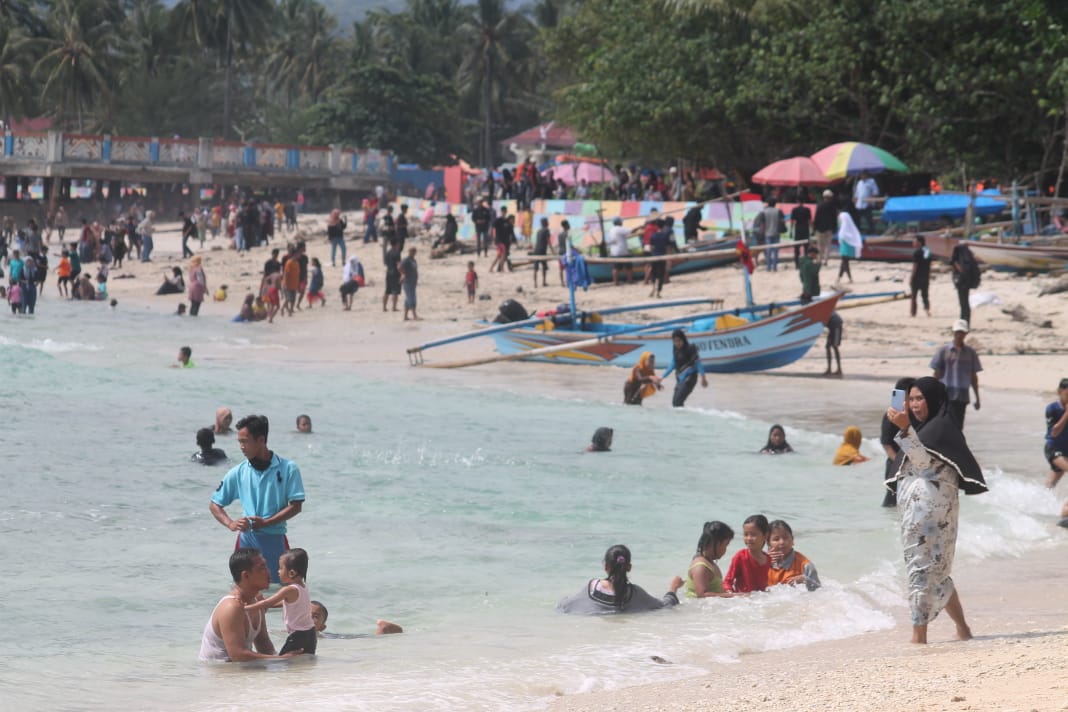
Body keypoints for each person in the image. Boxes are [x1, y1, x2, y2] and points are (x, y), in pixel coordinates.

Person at [886, 376, 986, 644]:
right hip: (921, 516)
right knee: (938, 573)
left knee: (922, 572)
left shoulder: (941, 428)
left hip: (931, 518)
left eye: (920, 398)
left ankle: (919, 637)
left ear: (933, 400)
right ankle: (963, 629)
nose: (914, 404)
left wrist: (905, 428)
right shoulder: (925, 429)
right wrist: (903, 425)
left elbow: (922, 463)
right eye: (911, 399)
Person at [209, 414, 306, 583]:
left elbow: (296, 506)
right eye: (239, 442)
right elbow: (215, 504)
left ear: (261, 440)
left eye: (245, 441)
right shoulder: (238, 472)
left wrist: (267, 522)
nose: (241, 447)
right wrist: (231, 524)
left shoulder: (288, 468)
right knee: (245, 595)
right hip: (246, 543)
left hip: (275, 542)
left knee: (282, 593)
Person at [198, 548, 303, 662]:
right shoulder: (231, 607)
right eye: (262, 568)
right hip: (219, 674)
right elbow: (238, 655)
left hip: (241, 671)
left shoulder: (257, 599)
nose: (269, 572)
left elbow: (263, 644)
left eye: (266, 566)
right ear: (246, 575)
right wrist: (281, 659)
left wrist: (283, 661)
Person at [556, 544, 683, 614]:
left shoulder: (592, 587)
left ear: (606, 566)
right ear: (629, 567)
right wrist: (673, 588)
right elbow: (664, 605)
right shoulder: (635, 594)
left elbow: (566, 605)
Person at [244, 548, 317, 655]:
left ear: (291, 573)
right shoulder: (303, 588)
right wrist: (269, 605)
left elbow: (267, 603)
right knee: (304, 663)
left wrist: (245, 608)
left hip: (298, 635)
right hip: (311, 634)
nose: (278, 571)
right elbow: (287, 603)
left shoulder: (288, 589)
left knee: (283, 661)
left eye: (281, 568)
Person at [930, 320, 982, 429]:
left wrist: (977, 397)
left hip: (962, 395)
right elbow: (936, 374)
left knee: (958, 427)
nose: (959, 335)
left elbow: (973, 377)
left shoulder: (970, 353)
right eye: (957, 332)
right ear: (953, 332)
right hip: (945, 394)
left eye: (962, 332)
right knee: (944, 426)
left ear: (966, 333)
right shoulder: (943, 351)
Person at [880, 377, 916, 507]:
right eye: (910, 396)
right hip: (894, 466)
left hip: (915, 463)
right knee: (891, 502)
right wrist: (899, 463)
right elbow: (886, 444)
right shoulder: (891, 415)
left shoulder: (916, 414)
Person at [685, 521, 735, 598]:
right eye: (726, 545)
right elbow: (702, 595)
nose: (726, 549)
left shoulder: (710, 563)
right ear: (717, 543)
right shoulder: (700, 566)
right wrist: (734, 596)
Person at [1042, 378, 1068, 527]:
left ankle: (1040, 505)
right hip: (1053, 449)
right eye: (1067, 394)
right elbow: (1054, 432)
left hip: (1067, 451)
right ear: (1059, 392)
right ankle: (1065, 511)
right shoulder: (1053, 408)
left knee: (1050, 484)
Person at [767, 520, 820, 590]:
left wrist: (806, 580)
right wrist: (764, 564)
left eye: (785, 538)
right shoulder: (762, 562)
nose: (782, 542)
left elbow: (819, 591)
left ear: (792, 540)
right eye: (776, 539)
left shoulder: (806, 565)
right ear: (768, 543)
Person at [723, 514, 770, 594]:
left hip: (763, 602)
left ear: (765, 536)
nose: (749, 538)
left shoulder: (769, 559)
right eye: (746, 534)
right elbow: (727, 582)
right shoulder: (741, 556)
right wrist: (731, 594)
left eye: (753, 534)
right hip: (744, 603)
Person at [662, 329, 707, 407]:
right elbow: (672, 364)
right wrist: (662, 377)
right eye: (675, 341)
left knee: (677, 402)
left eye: (679, 340)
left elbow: (698, 363)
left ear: (683, 339)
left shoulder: (690, 349)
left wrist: (703, 377)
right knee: (675, 403)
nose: (677, 343)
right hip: (681, 379)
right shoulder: (676, 350)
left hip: (690, 378)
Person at [310, 601, 404, 638]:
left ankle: (383, 629)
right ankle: (386, 629)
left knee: (373, 641)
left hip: (335, 637)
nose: (309, 617)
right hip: (333, 635)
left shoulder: (317, 636)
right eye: (306, 613)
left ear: (322, 627)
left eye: (316, 616)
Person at [950, 242, 981, 323]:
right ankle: (965, 320)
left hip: (962, 282)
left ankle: (964, 320)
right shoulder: (968, 258)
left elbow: (959, 269)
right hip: (967, 282)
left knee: (963, 303)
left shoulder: (959, 261)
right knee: (965, 303)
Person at [647, 218, 673, 297]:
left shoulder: (653, 236)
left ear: (657, 226)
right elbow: (668, 248)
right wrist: (669, 259)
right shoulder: (665, 236)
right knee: (661, 275)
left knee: (654, 274)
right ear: (664, 226)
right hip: (662, 256)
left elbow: (651, 248)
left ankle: (653, 289)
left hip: (654, 256)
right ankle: (658, 292)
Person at [759, 199, 786, 271]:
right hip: (776, 233)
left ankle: (768, 267)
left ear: (768, 203)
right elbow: (782, 221)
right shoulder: (778, 211)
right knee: (776, 251)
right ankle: (774, 267)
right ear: (775, 204)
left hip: (767, 234)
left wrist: (761, 234)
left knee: (768, 251)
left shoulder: (763, 212)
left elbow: (762, 224)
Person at [812, 190, 838, 266]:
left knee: (820, 245)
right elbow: (834, 219)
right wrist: (834, 228)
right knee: (828, 245)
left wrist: (814, 228)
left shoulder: (819, 206)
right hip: (829, 228)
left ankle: (819, 260)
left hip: (820, 228)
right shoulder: (833, 207)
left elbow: (816, 218)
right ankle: (826, 260)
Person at [909, 235, 932, 317]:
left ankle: (913, 313)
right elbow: (929, 266)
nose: (913, 243)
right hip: (925, 276)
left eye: (914, 241)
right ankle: (927, 310)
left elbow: (915, 266)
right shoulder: (928, 252)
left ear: (919, 242)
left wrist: (911, 277)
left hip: (917, 277)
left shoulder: (917, 253)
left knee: (914, 296)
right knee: (925, 295)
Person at [606, 217, 634, 285]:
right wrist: (641, 226)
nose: (622, 223)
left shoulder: (611, 230)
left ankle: (616, 282)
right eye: (621, 222)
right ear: (619, 223)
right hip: (622, 251)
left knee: (615, 268)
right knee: (628, 268)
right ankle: (630, 281)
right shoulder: (619, 228)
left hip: (614, 252)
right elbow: (631, 230)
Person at [837, 210, 862, 282]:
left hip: (845, 248)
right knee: (844, 262)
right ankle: (840, 278)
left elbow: (842, 237)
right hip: (846, 247)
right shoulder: (849, 230)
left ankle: (849, 278)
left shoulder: (843, 230)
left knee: (845, 262)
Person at [400, 247, 419, 321]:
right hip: (408, 282)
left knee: (408, 299)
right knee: (411, 299)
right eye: (412, 252)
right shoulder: (406, 260)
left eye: (414, 252)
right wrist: (403, 274)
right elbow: (399, 267)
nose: (413, 253)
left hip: (413, 282)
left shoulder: (413, 260)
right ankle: (414, 316)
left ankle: (405, 316)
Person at [531, 217, 550, 287]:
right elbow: (548, 241)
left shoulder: (539, 231)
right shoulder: (547, 230)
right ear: (546, 223)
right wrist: (553, 251)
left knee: (535, 268)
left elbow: (536, 242)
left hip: (537, 250)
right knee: (544, 267)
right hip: (542, 250)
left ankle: (535, 284)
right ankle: (544, 282)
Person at [383, 242, 401, 312]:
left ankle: (384, 307)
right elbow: (398, 264)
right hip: (395, 273)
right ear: (396, 244)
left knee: (387, 290)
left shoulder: (387, 253)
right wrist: (402, 273)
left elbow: (386, 263)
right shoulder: (397, 253)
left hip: (388, 272)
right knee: (395, 291)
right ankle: (394, 307)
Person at [824, 311, 843, 376]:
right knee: (827, 347)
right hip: (832, 327)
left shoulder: (819, 309)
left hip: (836, 325)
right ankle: (829, 369)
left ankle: (839, 369)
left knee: (835, 346)